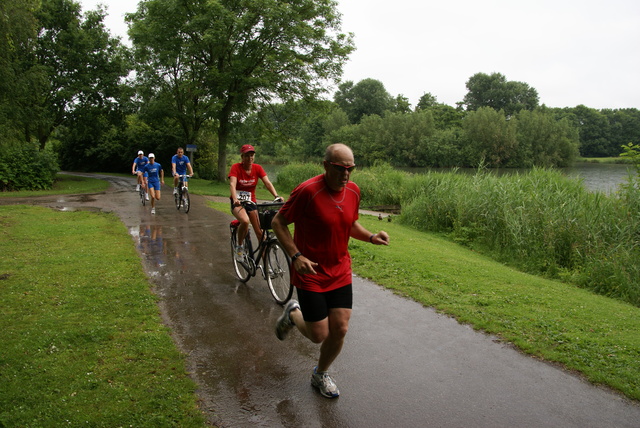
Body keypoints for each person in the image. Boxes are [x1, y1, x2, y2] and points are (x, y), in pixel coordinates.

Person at [271, 143, 390, 399]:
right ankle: (293, 314)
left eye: (350, 169)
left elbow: (350, 224)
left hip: (339, 269)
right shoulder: (307, 191)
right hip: (310, 271)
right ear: (326, 165)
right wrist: (295, 256)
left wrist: (371, 237)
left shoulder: (353, 191)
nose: (345, 175)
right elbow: (278, 222)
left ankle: (320, 373)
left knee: (341, 328)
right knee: (318, 334)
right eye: (339, 168)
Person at [228, 144, 283, 260]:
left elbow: (267, 183)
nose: (250, 158)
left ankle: (266, 265)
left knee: (260, 232)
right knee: (245, 221)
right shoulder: (236, 167)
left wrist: (276, 196)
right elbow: (232, 184)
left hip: (251, 203)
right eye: (247, 156)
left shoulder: (257, 168)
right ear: (242, 157)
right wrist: (235, 199)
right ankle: (239, 247)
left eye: (252, 155)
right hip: (238, 203)